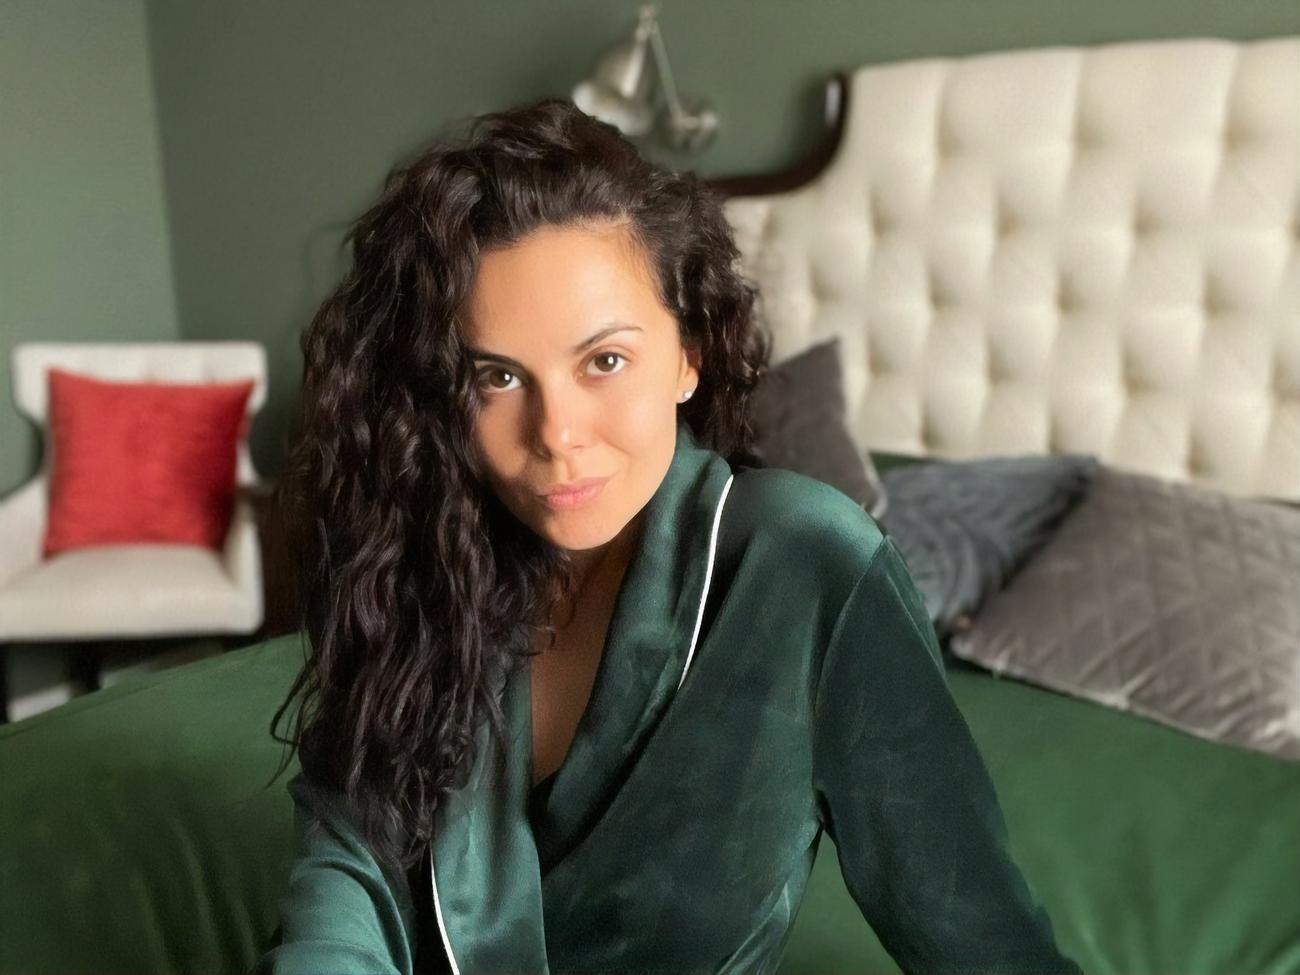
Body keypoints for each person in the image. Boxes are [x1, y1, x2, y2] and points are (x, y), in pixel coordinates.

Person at [253, 97, 1081, 975]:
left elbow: (984, 942)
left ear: (689, 354)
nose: (556, 434)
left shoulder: (805, 560)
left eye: (604, 361)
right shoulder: (418, 554)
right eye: (496, 377)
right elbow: (349, 857)